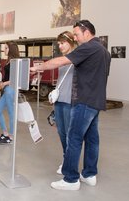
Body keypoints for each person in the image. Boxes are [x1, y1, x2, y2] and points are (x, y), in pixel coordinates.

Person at [30, 20, 111, 191]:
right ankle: (89, 174)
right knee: (92, 139)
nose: (75, 37)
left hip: (83, 101)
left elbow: (60, 62)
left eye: (76, 34)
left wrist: (38, 68)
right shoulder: (104, 51)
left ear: (87, 32)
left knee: (73, 139)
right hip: (96, 101)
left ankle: (71, 179)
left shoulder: (88, 47)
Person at [53, 31, 76, 175]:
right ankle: (66, 159)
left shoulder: (77, 58)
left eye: (63, 43)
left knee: (70, 134)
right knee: (61, 133)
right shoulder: (62, 59)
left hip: (70, 101)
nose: (60, 46)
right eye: (59, 44)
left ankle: (70, 164)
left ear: (71, 42)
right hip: (59, 100)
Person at [0, 42, 20, 145]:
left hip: (11, 90)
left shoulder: (15, 61)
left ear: (11, 49)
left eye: (6, 48)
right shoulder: (9, 61)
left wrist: (4, 83)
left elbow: (15, 78)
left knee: (11, 113)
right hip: (7, 89)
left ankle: (11, 136)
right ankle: (5, 133)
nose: (4, 50)